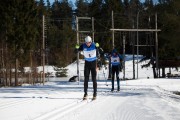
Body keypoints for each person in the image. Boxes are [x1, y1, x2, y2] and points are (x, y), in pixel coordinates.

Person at [75, 36, 103, 100]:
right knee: (86, 79)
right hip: (87, 64)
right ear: (85, 42)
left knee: (94, 79)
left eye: (89, 42)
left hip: (93, 63)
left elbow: (101, 52)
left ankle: (95, 94)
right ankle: (85, 93)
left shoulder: (94, 45)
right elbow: (76, 51)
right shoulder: (83, 45)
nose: (88, 44)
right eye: (87, 42)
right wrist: (76, 48)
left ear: (91, 41)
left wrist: (98, 47)